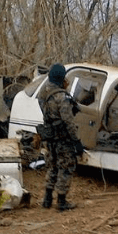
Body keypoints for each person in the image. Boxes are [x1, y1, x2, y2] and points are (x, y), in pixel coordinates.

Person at [38, 63, 83, 211]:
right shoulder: (62, 97)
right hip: (63, 139)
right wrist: (76, 141)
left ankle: (47, 198)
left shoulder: (43, 94)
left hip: (50, 137)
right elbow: (68, 121)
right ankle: (62, 201)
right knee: (66, 167)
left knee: (52, 166)